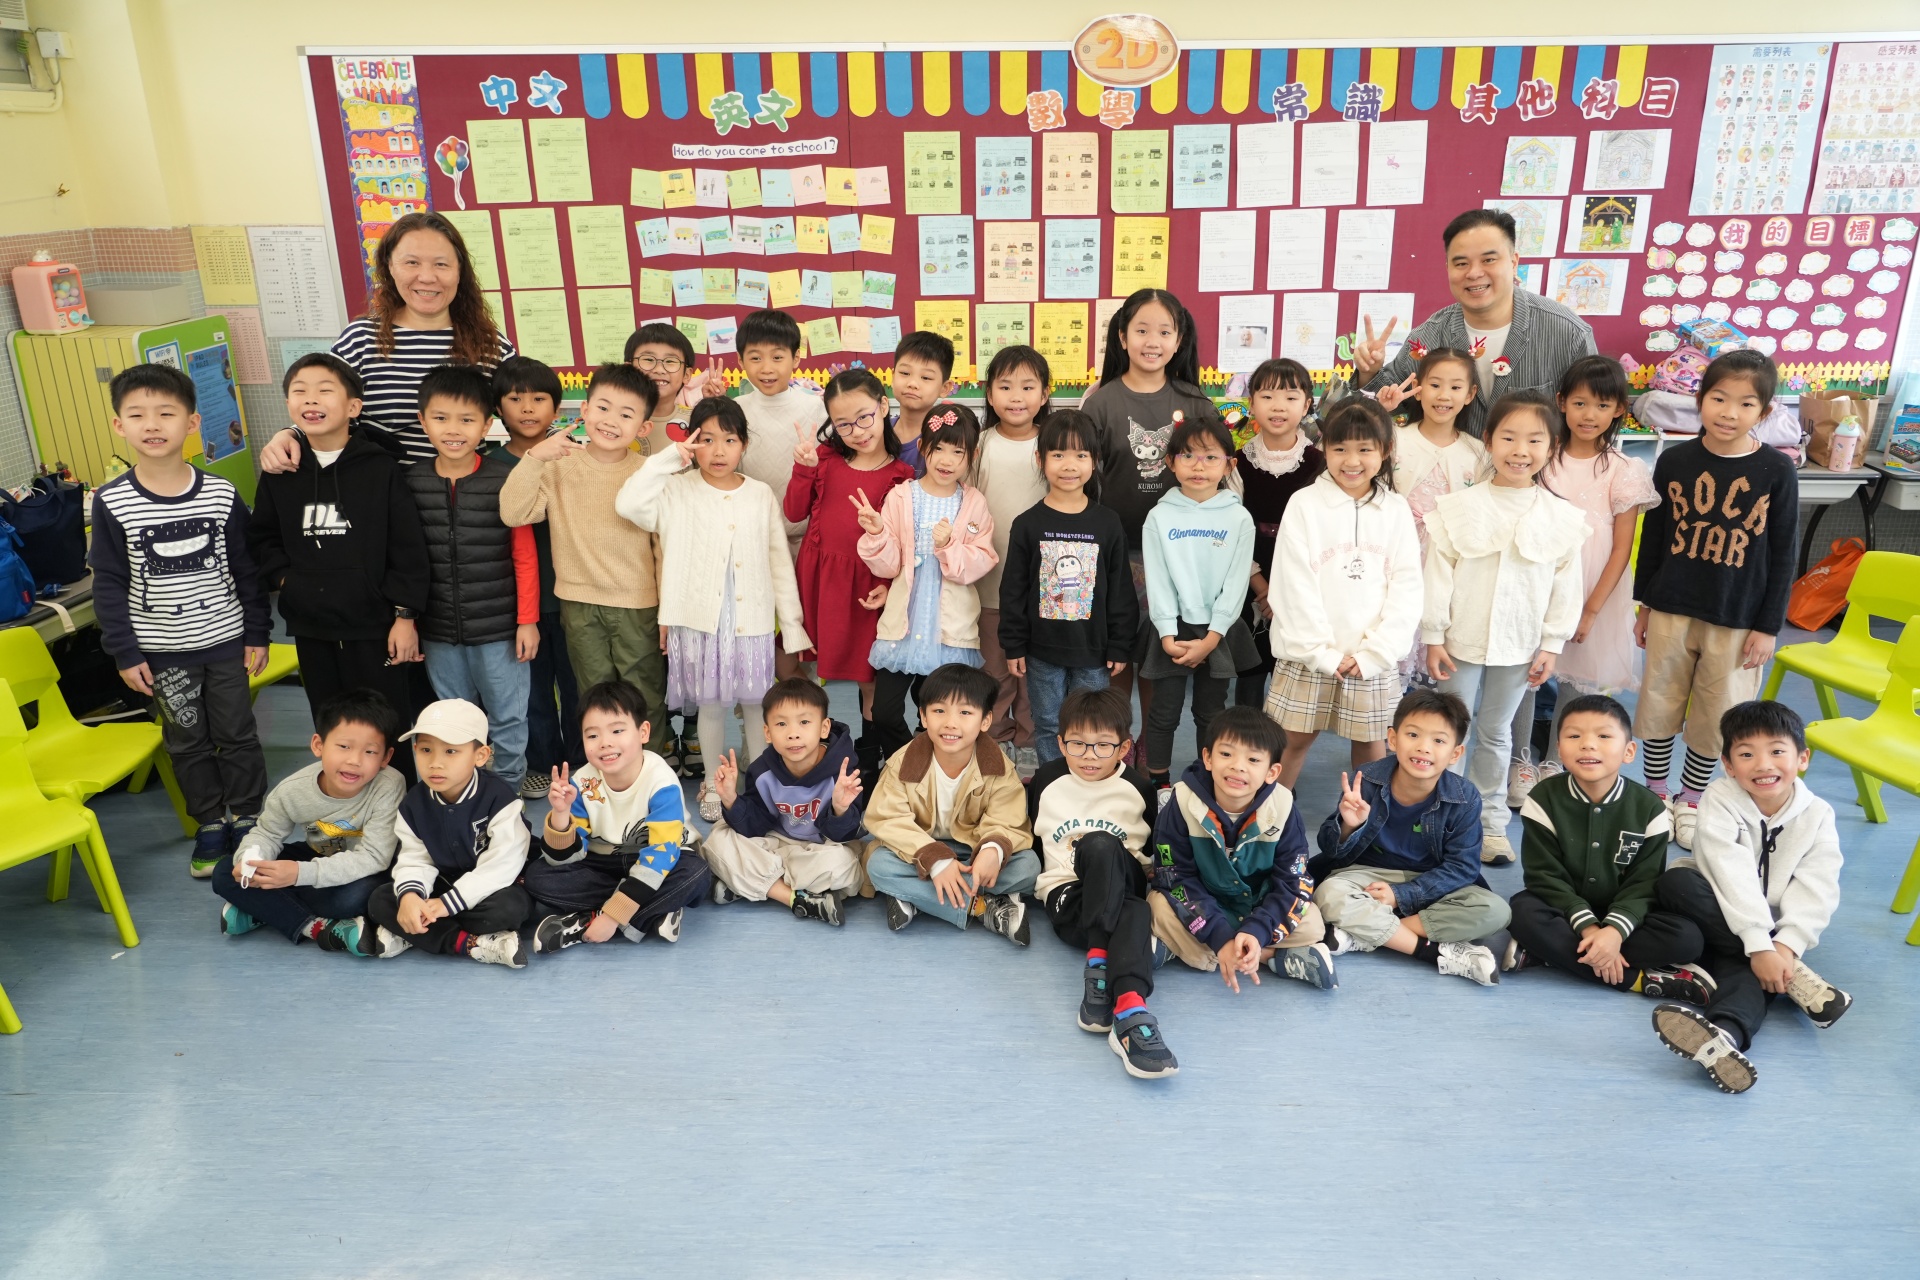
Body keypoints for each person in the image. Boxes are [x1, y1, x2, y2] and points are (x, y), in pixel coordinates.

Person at [93, 364, 270, 878]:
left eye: (166, 413)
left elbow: (247, 569)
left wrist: (257, 632)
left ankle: (249, 818)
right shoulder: (112, 501)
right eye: (137, 415)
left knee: (238, 734)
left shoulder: (220, 493)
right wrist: (125, 652)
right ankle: (210, 823)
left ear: (192, 423)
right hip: (161, 653)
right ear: (118, 425)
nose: (152, 425)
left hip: (226, 642)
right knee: (186, 741)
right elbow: (109, 582)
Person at [618, 395, 810, 823]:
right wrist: (671, 457)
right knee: (711, 705)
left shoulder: (759, 494)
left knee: (757, 705)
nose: (718, 450)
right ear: (692, 443)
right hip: (700, 620)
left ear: (744, 444)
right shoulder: (676, 489)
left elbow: (779, 561)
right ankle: (711, 779)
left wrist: (792, 624)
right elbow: (628, 505)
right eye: (706, 440)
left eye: (729, 440)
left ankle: (759, 783)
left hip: (751, 618)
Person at [1632, 350, 1798, 846]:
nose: (1729, 413)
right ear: (1700, 400)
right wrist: (1644, 604)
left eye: (1746, 404)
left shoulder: (1777, 470)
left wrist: (1768, 626)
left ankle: (1691, 797)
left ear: (1765, 411)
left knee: (1717, 713)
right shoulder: (1674, 461)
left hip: (1738, 616)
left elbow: (1784, 553)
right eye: (1719, 399)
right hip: (1671, 607)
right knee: (1659, 702)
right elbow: (1654, 535)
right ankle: (1656, 792)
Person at [1423, 391, 1589, 864]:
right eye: (1508, 437)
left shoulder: (1560, 517)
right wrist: (1433, 635)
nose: (1520, 450)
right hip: (1460, 640)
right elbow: (1437, 575)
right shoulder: (1459, 507)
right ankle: (1441, 820)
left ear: (1551, 446)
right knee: (1448, 732)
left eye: (1534, 440)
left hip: (1520, 644)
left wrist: (1551, 644)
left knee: (1497, 734)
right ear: (1488, 441)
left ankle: (1490, 823)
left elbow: (1566, 587)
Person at [1650, 701, 1850, 1094]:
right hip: (1714, 905)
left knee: (1749, 966)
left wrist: (1785, 944)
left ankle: (1724, 1037)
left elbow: (1818, 884)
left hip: (1768, 931)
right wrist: (1760, 945)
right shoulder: (1720, 798)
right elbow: (1729, 871)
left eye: (1777, 751)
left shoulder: (1818, 814)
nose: (1763, 765)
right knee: (1676, 883)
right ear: (1728, 765)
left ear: (1802, 758)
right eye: (1746, 754)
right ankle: (1791, 976)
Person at [246, 352, 428, 762]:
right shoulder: (281, 471)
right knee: (331, 725)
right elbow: (262, 538)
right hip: (312, 624)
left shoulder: (380, 468)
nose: (311, 399)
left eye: (325, 391)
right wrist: (287, 582)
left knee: (388, 726)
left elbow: (407, 547)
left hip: (376, 625)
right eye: (300, 392)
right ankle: (343, 795)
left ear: (353, 407)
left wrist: (405, 616)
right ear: (289, 405)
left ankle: (396, 798)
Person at [257, 211, 515, 469]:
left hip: (466, 490)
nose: (427, 277)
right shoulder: (360, 340)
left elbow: (526, 413)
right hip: (378, 488)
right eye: (411, 262)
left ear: (459, 271)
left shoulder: (490, 345)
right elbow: (324, 405)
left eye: (441, 264)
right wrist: (290, 434)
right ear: (390, 267)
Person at [1508, 355, 1657, 802]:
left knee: (1576, 679)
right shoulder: (1541, 456)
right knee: (1527, 670)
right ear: (1561, 403)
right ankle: (1519, 760)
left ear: (1619, 409)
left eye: (1602, 405)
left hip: (1595, 588)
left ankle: (1557, 759)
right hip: (1537, 581)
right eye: (1579, 403)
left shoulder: (1623, 470)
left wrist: (1591, 610)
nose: (1589, 415)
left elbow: (1621, 548)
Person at [1503, 693, 1716, 1002]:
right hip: (1564, 907)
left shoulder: (1650, 808)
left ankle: (1548, 954)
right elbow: (1543, 877)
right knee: (1521, 913)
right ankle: (1637, 979)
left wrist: (1614, 932)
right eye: (1574, 736)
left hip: (1627, 915)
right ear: (1559, 748)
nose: (1588, 745)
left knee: (1687, 939)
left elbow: (1644, 883)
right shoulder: (1542, 798)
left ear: (1629, 751)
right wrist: (1590, 930)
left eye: (1604, 736)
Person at [500, 363, 669, 748]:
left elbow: (663, 549)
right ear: (585, 410)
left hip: (639, 605)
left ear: (643, 427)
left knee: (645, 695)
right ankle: (607, 772)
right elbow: (514, 513)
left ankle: (649, 770)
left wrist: (667, 613)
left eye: (626, 414)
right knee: (594, 697)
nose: (611, 421)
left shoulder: (650, 473)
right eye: (603, 408)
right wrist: (534, 457)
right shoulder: (558, 466)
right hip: (579, 604)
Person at [1081, 289, 1225, 735]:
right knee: (1117, 654)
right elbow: (1083, 480)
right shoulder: (1101, 402)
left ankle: (1150, 747)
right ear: (1122, 337)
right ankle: (1116, 739)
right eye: (1141, 330)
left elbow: (1216, 478)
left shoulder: (1196, 403)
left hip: (1181, 554)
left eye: (1164, 332)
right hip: (1116, 553)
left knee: (1160, 657)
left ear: (1179, 340)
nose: (1152, 341)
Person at [1267, 397, 1422, 794]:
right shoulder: (1304, 504)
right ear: (1324, 448)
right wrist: (1322, 652)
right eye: (1340, 448)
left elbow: (1407, 587)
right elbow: (1292, 586)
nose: (1352, 461)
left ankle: (1368, 822)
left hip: (1370, 657)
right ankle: (1268, 819)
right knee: (1290, 742)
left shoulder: (1395, 509)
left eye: (1365, 449)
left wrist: (1375, 653)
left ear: (1385, 451)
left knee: (1370, 748)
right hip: (1308, 653)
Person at [1312, 689, 1510, 986]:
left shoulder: (1464, 796)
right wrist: (1348, 826)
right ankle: (1429, 950)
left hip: (1432, 882)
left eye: (1438, 741)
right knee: (1329, 893)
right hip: (1367, 875)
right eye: (1413, 735)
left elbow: (1463, 868)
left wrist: (1401, 895)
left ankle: (1363, 934)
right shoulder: (1366, 779)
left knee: (1496, 911)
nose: (1423, 748)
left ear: (1455, 753)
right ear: (1392, 739)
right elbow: (1330, 851)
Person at [1029, 687, 1174, 1079]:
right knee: (1136, 911)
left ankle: (1102, 972)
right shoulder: (1046, 780)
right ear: (1061, 742)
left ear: (1124, 747)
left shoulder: (1140, 788)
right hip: (1067, 896)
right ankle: (1128, 1008)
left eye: (1103, 745)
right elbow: (1029, 839)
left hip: (1123, 880)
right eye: (1077, 744)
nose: (1089, 755)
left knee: (1101, 845)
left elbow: (1154, 850)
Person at [405, 365, 539, 790]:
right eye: (440, 418)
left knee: (508, 716)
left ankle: (508, 792)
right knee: (452, 717)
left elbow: (524, 556)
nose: (453, 430)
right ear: (422, 420)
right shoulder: (411, 481)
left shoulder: (505, 479)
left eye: (466, 419)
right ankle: (462, 793)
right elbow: (404, 559)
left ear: (486, 425)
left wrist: (527, 620)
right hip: (439, 630)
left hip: (500, 630)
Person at [1351, 208, 1596, 439]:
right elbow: (1388, 406)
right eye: (1461, 263)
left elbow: (1595, 416)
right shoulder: (1427, 338)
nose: (1474, 273)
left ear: (1513, 262)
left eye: (1488, 260)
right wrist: (1369, 371)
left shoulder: (1568, 333)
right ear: (1448, 268)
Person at [783, 369, 916, 784]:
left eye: (864, 418)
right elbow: (793, 512)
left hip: (866, 586)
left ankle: (871, 760)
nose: (856, 431)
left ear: (883, 406)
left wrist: (888, 586)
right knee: (795, 664)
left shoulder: (902, 476)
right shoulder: (824, 459)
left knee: (868, 678)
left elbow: (903, 544)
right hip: (819, 580)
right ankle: (812, 747)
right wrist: (803, 468)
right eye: (843, 424)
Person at [1154, 706, 1338, 1005]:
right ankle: (1271, 958)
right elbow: (1174, 876)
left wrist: (1257, 930)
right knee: (1157, 907)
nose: (1238, 767)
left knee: (1313, 922)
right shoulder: (1182, 801)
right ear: (1208, 758)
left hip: (1258, 904)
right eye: (1227, 754)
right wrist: (1219, 934)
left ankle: (1193, 952)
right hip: (1204, 903)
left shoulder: (1283, 806)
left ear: (1272, 772)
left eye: (1253, 760)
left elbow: (1292, 880)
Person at [212, 690, 406, 956]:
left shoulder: (389, 785)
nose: (354, 760)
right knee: (225, 871)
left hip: (365, 869)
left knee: (356, 897)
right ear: (318, 745)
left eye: (370, 751)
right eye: (344, 746)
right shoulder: (292, 790)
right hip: (319, 856)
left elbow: (374, 857)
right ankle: (315, 927)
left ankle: (264, 909)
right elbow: (266, 834)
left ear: (385, 758)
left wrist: (297, 874)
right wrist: (250, 861)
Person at [526, 680, 712, 954]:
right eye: (592, 735)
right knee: (538, 876)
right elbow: (562, 860)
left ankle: (589, 920)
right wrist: (561, 815)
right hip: (604, 862)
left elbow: (661, 854)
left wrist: (611, 917)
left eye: (617, 730)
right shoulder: (582, 783)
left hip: (664, 859)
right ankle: (653, 910)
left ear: (643, 732)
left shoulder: (661, 781)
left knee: (696, 874)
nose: (605, 743)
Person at [863, 663, 1038, 943]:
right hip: (919, 848)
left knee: (1028, 866)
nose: (950, 723)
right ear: (923, 715)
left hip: (972, 850)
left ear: (985, 721)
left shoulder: (999, 767)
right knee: (879, 865)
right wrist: (934, 859)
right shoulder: (902, 763)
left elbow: (1008, 819)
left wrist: (992, 849)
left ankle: (917, 898)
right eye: (939, 711)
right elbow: (887, 819)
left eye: (965, 712)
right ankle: (984, 908)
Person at [857, 412, 997, 761]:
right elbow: (889, 565)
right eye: (939, 449)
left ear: (973, 456)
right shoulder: (901, 496)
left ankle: (934, 776)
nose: (947, 460)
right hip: (904, 625)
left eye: (958, 452)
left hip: (948, 631)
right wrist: (877, 533)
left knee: (938, 716)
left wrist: (949, 546)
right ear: (922, 447)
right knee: (885, 711)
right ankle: (910, 763)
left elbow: (980, 562)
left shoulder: (974, 503)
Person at [1000, 410, 1136, 764]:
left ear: (1094, 460)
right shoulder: (1027, 524)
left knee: (1090, 726)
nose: (1069, 465)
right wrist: (1014, 644)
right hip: (1042, 650)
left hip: (1094, 651)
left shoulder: (1107, 523)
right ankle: (1052, 783)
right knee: (1048, 723)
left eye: (1080, 455)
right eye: (1058, 454)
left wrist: (1120, 644)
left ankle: (1087, 783)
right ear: (1040, 460)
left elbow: (1121, 589)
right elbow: (1013, 590)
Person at [361, 698, 532, 968]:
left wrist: (446, 905)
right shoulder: (413, 803)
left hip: (490, 885)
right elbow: (415, 858)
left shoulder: (499, 798)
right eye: (426, 749)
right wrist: (411, 897)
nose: (435, 763)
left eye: (451, 751)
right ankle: (471, 944)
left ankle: (415, 932)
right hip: (440, 883)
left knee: (510, 909)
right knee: (381, 900)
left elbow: (503, 863)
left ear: (480, 756)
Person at [1139, 415, 1255, 798]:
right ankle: (1159, 785)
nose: (1198, 466)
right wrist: (1166, 633)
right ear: (1170, 463)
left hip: (1218, 630)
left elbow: (1236, 583)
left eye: (1210, 457)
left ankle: (1208, 783)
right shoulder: (1159, 516)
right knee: (1163, 712)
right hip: (1171, 628)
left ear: (1229, 464)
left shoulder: (1238, 517)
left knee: (1211, 712)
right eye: (1187, 456)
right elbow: (1158, 579)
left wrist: (1211, 638)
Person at [485, 355, 581, 798]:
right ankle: (542, 763)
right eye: (515, 398)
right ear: (497, 409)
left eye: (539, 399)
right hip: (519, 601)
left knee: (577, 687)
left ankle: (581, 765)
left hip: (573, 594)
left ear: (556, 408)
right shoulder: (490, 466)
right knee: (533, 691)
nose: (527, 408)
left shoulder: (575, 457)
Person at [703, 677, 868, 927]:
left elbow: (843, 835)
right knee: (717, 839)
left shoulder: (842, 770)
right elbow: (755, 825)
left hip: (820, 848)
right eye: (781, 724)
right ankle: (795, 897)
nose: (793, 734)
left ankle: (749, 883)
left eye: (804, 722)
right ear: (768, 733)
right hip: (774, 842)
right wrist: (730, 799)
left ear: (824, 728)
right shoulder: (762, 771)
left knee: (843, 865)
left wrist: (840, 809)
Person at [974, 345, 1054, 774]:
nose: (1016, 396)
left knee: (1036, 672)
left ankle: (1028, 741)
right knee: (996, 669)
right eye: (1005, 387)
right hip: (990, 582)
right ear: (989, 394)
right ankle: (996, 740)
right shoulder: (980, 445)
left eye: (1027, 386)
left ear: (1045, 394)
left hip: (1045, 584)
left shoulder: (1053, 444)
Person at [1234, 357, 1325, 708]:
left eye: (1290, 397)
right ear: (1252, 403)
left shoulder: (1321, 463)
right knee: (1250, 672)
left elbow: (1321, 535)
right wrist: (1262, 588)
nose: (1278, 406)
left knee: (1293, 676)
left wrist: (1285, 593)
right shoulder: (1236, 463)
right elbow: (1232, 531)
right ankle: (1245, 738)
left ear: (1307, 404)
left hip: (1301, 579)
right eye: (1267, 396)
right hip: (1249, 573)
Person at [735, 308, 827, 557]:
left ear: (795, 358)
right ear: (740, 361)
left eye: (777, 357)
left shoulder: (815, 408)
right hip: (752, 535)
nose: (767, 368)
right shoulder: (736, 410)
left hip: (806, 538)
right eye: (755, 358)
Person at [1382, 346, 1489, 560]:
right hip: (1392, 552)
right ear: (1417, 388)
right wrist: (1382, 412)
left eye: (1455, 387)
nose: (1443, 396)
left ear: (1470, 394)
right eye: (1435, 385)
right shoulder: (1394, 439)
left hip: (1449, 561)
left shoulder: (1479, 454)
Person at [626, 320, 726, 448]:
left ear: (686, 375)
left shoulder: (696, 420)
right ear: (628, 369)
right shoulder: (614, 419)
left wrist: (715, 409)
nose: (659, 369)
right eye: (648, 359)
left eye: (670, 361)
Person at [889, 328, 958, 475]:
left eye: (926, 377)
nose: (912, 383)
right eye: (905, 373)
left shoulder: (947, 438)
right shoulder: (878, 431)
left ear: (945, 388)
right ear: (893, 377)